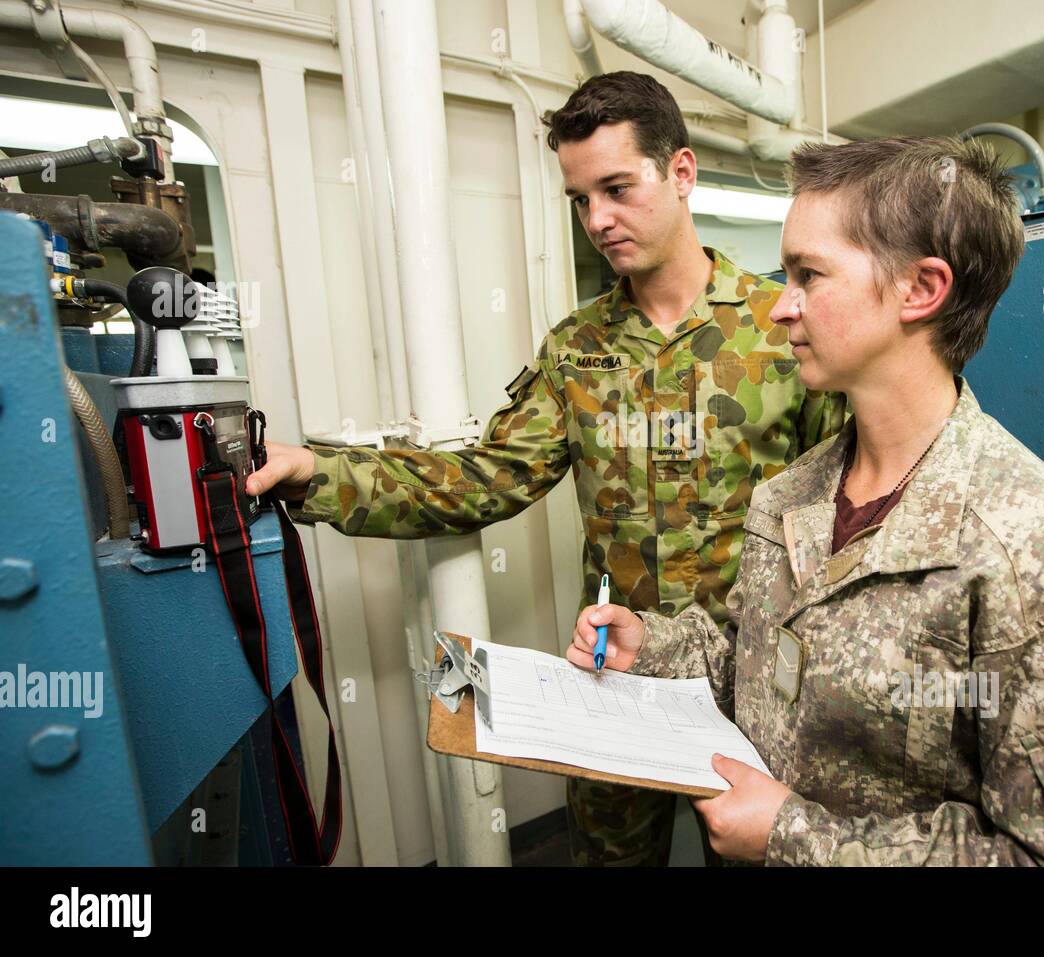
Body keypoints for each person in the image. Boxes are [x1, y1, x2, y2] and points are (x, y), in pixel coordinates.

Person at [244, 71, 845, 866]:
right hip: (615, 674)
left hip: (750, 677)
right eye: (580, 199)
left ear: (683, 173)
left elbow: (837, 523)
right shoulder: (578, 350)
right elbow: (482, 479)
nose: (599, 219)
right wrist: (316, 471)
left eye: (618, 188)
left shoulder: (782, 330)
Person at [567, 135, 1044, 865]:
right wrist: (652, 647)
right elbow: (763, 672)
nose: (781, 308)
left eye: (808, 274)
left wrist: (792, 837)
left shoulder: (1039, 560)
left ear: (921, 289)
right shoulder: (789, 499)